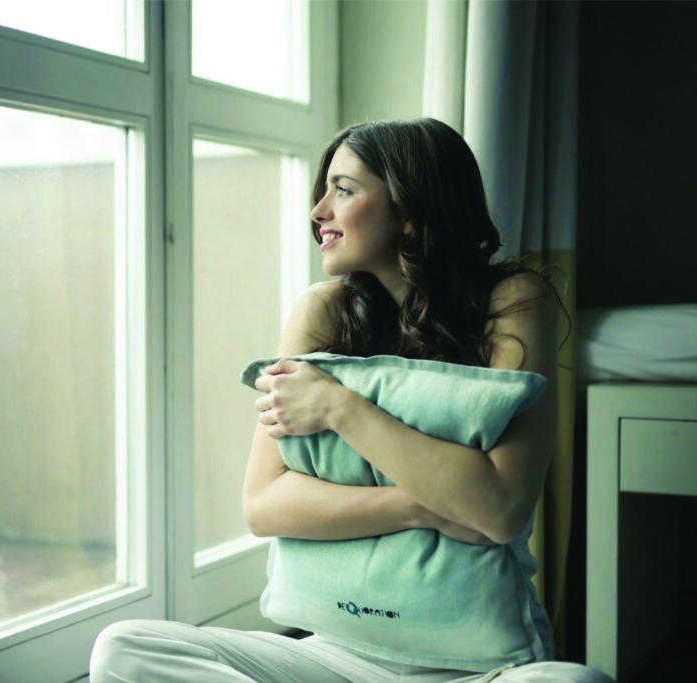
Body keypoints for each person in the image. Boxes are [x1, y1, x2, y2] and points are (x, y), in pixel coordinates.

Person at [89, 119, 612, 682]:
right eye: (324, 190)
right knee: (125, 647)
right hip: (330, 656)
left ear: (410, 211)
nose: (318, 212)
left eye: (343, 189)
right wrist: (426, 506)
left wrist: (341, 407)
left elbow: (502, 510)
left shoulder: (511, 300)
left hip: (479, 669)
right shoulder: (323, 310)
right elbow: (264, 505)